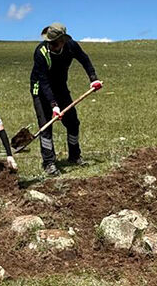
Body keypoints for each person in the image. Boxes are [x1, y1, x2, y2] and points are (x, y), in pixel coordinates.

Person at [29, 22, 103, 176]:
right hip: (41, 90)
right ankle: (49, 162)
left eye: (55, 43)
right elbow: (43, 82)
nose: (52, 46)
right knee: (45, 127)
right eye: (49, 42)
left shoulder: (71, 46)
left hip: (60, 87)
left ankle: (74, 156)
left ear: (63, 41)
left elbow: (84, 59)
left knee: (73, 122)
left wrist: (93, 78)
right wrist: (54, 106)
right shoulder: (41, 53)